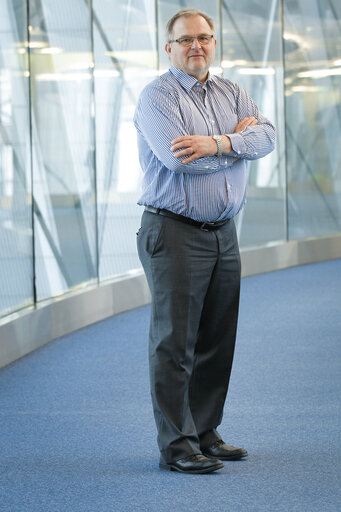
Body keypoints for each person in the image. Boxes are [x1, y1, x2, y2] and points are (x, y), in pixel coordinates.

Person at [134, 8, 275, 474]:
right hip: (173, 231)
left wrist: (216, 143)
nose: (197, 45)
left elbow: (267, 136)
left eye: (205, 37)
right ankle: (177, 446)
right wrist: (236, 143)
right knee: (175, 343)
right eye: (186, 40)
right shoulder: (157, 97)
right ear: (169, 48)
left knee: (217, 337)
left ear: (214, 43)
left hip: (223, 233)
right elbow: (180, 161)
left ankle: (205, 431)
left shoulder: (231, 91)